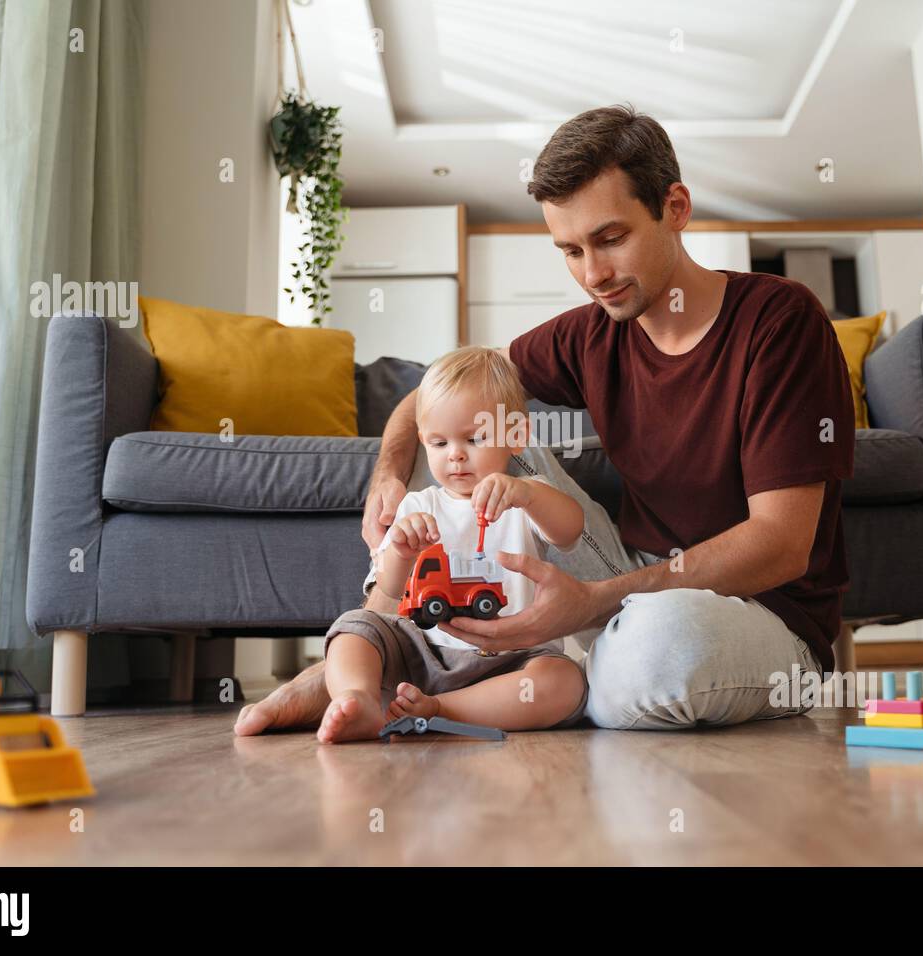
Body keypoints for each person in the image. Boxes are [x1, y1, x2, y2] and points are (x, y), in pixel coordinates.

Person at [235, 103, 853, 736]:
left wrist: (591, 605)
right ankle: (382, 646)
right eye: (571, 251)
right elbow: (428, 396)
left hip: (754, 617)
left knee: (658, 643)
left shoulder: (779, 322)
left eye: (611, 239)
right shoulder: (588, 334)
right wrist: (389, 474)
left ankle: (508, 680)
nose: (594, 275)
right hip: (626, 580)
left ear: (675, 207)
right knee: (481, 424)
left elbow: (781, 544)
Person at [316, 347, 587, 743]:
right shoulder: (419, 504)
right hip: (421, 651)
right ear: (423, 441)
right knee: (353, 629)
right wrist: (402, 552)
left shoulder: (526, 497)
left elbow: (570, 531)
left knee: (565, 681)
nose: (456, 455)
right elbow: (391, 594)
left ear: (516, 437)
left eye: (475, 438)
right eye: (439, 444)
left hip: (510, 659)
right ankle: (358, 698)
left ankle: (443, 709)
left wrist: (527, 494)